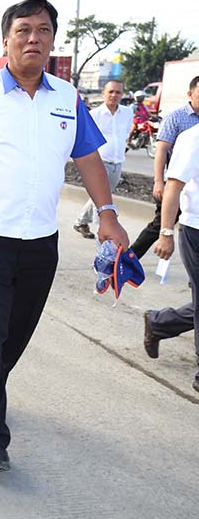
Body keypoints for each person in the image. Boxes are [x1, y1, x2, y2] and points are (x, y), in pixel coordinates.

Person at [0, 0, 129, 473]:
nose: (33, 38)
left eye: (42, 30)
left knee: (14, 336)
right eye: (23, 30)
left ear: (53, 41)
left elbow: (89, 160)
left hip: (41, 242)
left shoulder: (68, 98)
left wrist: (108, 213)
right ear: (6, 40)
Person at [140, 76, 199, 354]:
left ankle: (159, 323)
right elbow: (171, 178)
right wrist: (166, 233)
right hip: (192, 222)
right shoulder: (187, 131)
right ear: (191, 94)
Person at [152, 124, 199, 393]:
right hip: (196, 230)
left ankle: (160, 323)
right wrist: (166, 233)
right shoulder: (193, 138)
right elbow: (174, 186)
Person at [129, 76, 199, 258]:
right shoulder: (176, 118)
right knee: (159, 226)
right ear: (190, 94)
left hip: (195, 190)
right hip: (175, 185)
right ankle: (128, 260)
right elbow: (161, 151)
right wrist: (159, 182)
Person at [73, 80, 132, 239]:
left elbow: (125, 133)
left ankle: (81, 222)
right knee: (104, 200)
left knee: (100, 197)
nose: (114, 95)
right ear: (103, 93)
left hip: (117, 162)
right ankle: (104, 236)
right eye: (110, 92)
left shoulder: (127, 113)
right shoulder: (94, 115)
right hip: (100, 162)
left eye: (118, 92)